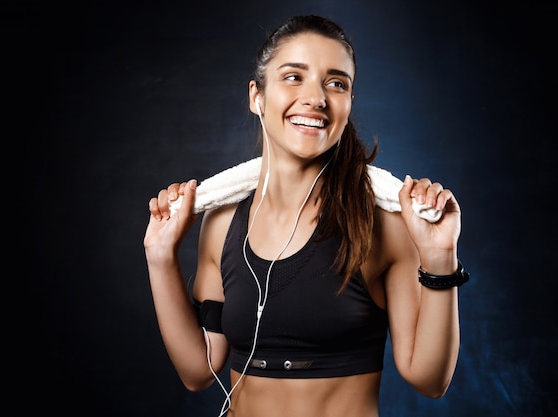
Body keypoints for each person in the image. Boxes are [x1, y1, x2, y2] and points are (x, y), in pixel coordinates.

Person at [144, 15, 468, 417]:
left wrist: (440, 257)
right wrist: (160, 256)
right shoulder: (223, 225)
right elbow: (199, 370)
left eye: (336, 83)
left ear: (348, 103)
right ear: (256, 96)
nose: (316, 97)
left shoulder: (384, 225)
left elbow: (429, 379)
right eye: (294, 77)